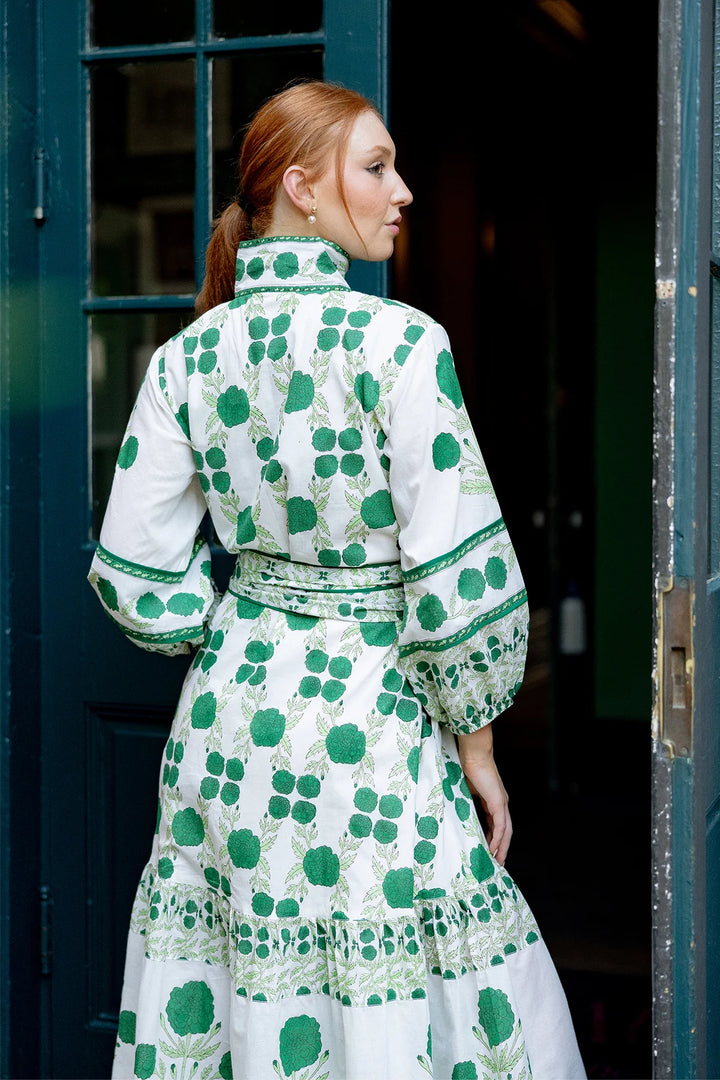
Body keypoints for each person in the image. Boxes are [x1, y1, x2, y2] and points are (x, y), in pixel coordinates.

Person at [89, 80, 585, 1080]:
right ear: (302, 187)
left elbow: (134, 571)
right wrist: (480, 748)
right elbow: (454, 577)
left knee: (248, 989)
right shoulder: (403, 347)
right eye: (377, 167)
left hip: (231, 724)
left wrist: (240, 625)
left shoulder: (187, 360)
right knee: (396, 988)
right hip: (375, 725)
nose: (401, 190)